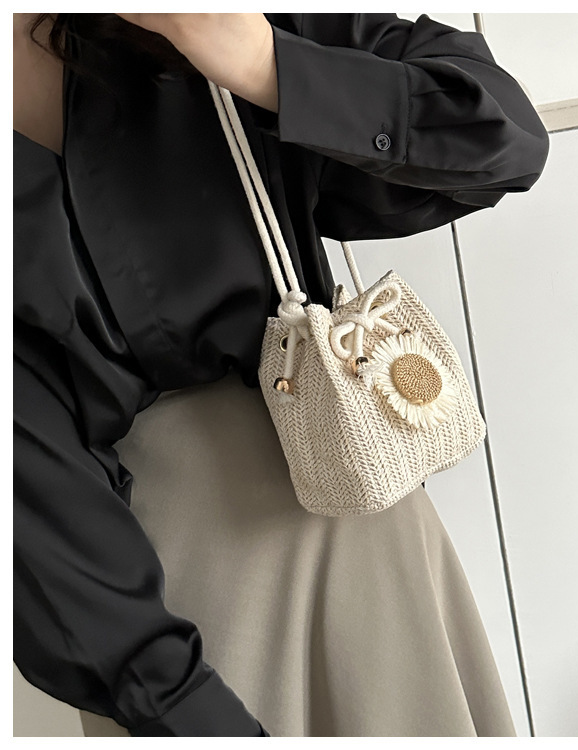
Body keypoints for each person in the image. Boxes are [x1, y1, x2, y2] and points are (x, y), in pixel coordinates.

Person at [14, 12, 550, 737]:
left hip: (355, 523)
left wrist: (263, 63)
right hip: (139, 609)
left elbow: (502, 139)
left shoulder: (199, 22)